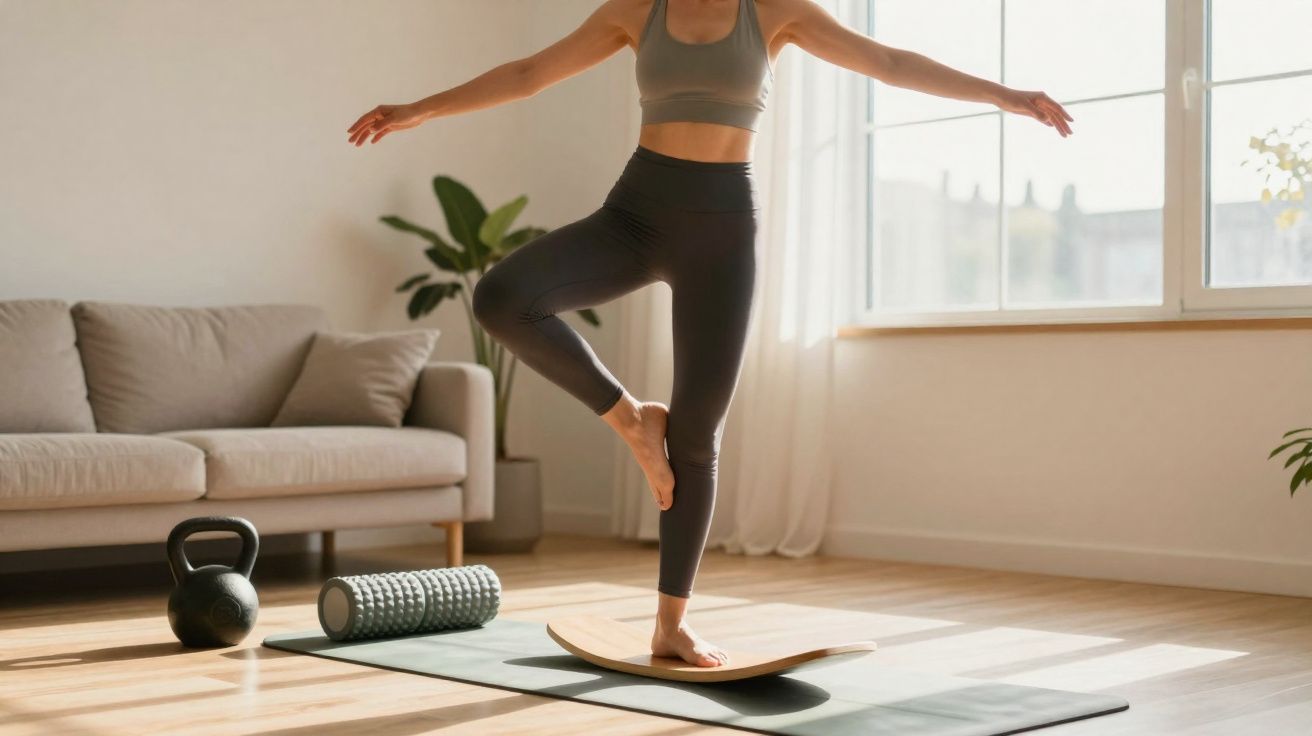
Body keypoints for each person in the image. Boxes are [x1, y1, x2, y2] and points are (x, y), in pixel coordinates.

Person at [346, 0, 1074, 669]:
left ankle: (671, 624)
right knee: (503, 296)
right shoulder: (639, 7)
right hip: (634, 214)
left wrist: (1005, 96)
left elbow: (885, 63)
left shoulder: (774, 9)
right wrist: (422, 110)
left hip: (724, 232)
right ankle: (630, 419)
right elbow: (532, 72)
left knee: (696, 437)